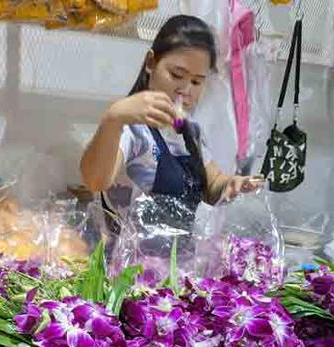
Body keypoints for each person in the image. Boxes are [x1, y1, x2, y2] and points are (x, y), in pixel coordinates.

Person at [80, 15, 262, 241]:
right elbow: (95, 180)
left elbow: (212, 185)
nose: (185, 89)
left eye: (197, 82)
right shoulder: (132, 130)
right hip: (130, 268)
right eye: (177, 75)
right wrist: (113, 118)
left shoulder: (190, 133)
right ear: (150, 63)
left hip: (177, 265)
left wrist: (233, 185)